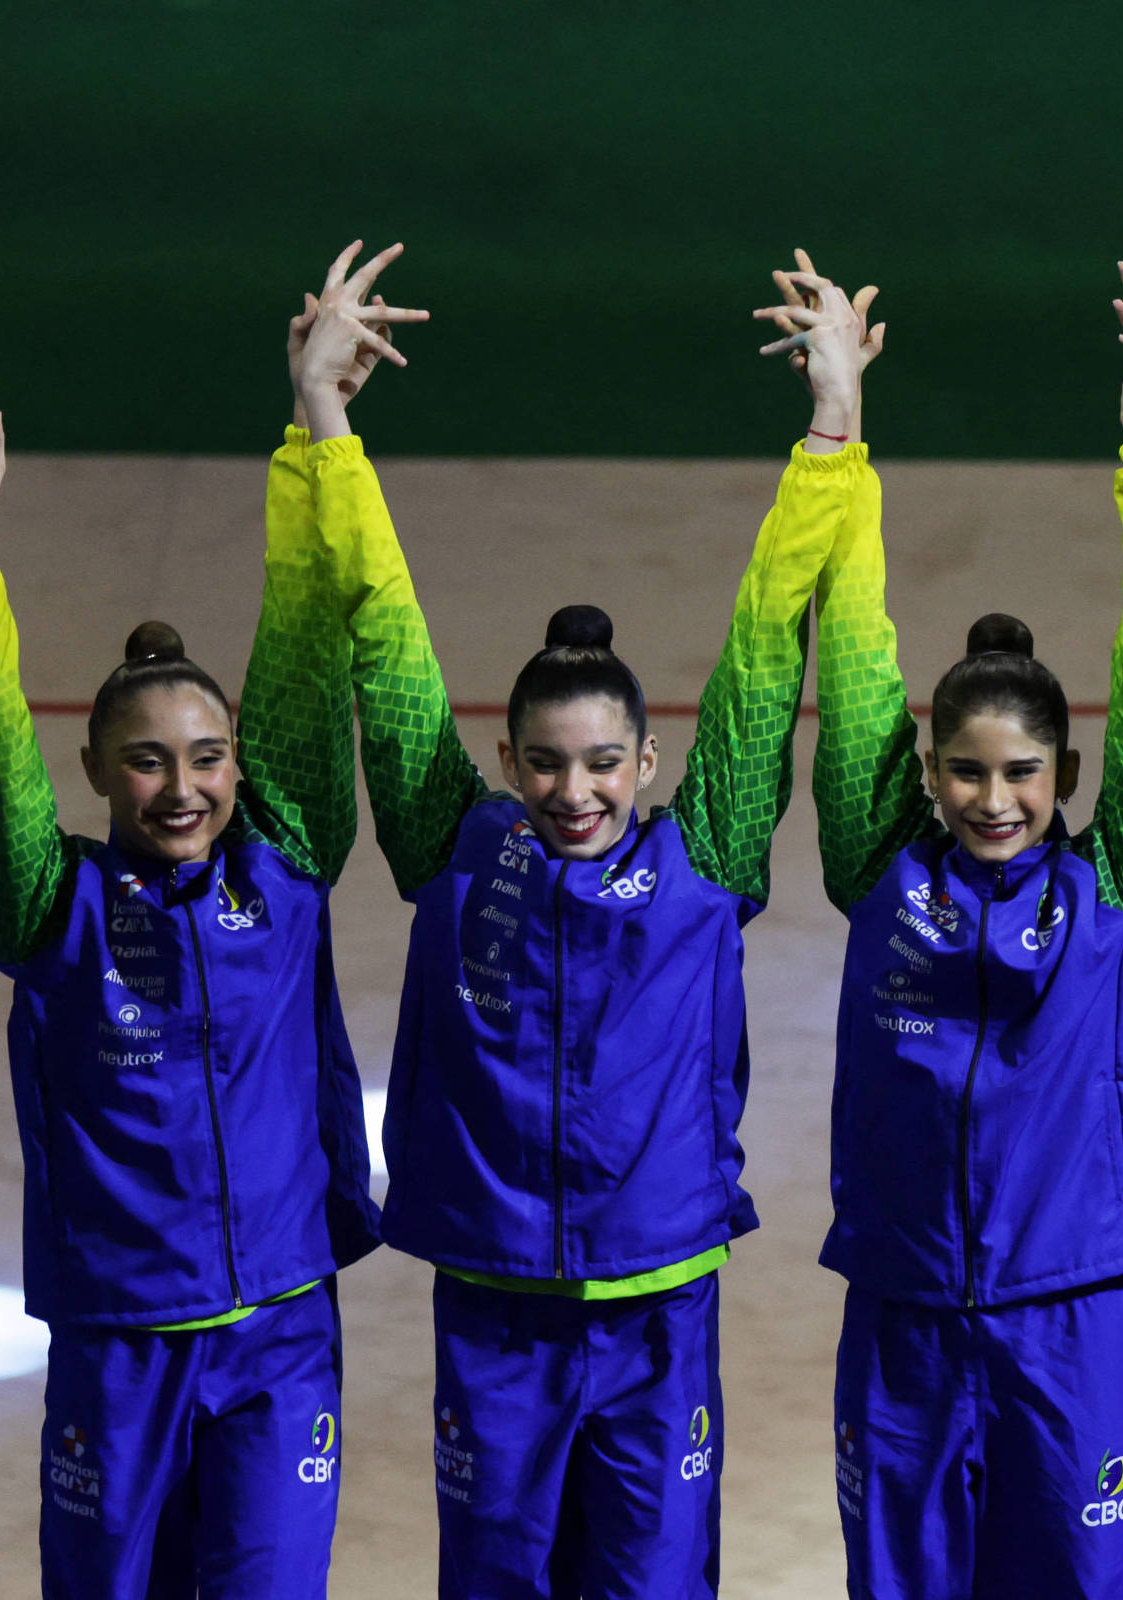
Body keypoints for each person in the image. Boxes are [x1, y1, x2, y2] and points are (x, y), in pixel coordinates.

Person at [327, 245, 871, 1597]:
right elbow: (386, 643)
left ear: (647, 761)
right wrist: (326, 425)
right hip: (495, 1307)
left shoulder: (705, 861)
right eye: (547, 764)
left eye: (604, 763)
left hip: (658, 1308)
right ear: (506, 760)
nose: (575, 791)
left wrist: (833, 426)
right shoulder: (456, 851)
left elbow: (766, 651)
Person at [0, 254, 411, 1594]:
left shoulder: (283, 870)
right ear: (97, 772)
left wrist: (315, 423)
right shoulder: (52, 907)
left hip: (281, 1333)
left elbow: (303, 643)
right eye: (146, 761)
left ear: (239, 764)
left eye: (207, 756)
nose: (182, 787)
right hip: (120, 1339)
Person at [797, 256, 1123, 1600]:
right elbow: (856, 649)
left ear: (1065, 776)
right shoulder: (882, 876)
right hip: (903, 1313)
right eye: (965, 772)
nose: (992, 799)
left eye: (1022, 774)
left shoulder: (1119, 898)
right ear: (929, 774)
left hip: (1067, 1322)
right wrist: (839, 424)